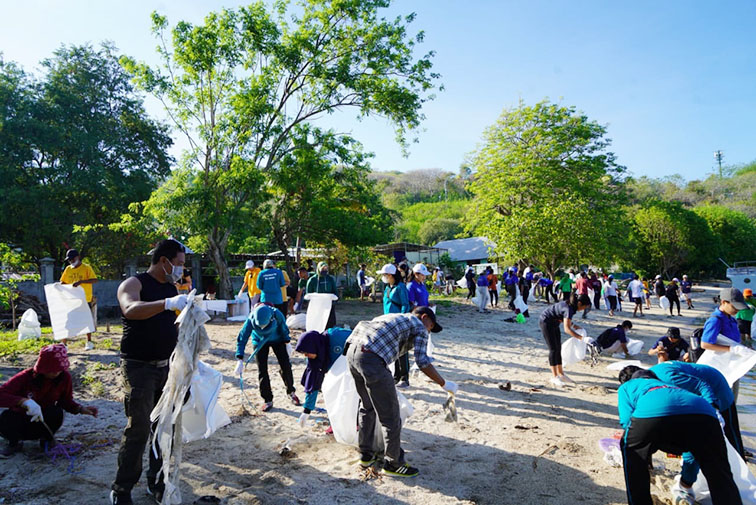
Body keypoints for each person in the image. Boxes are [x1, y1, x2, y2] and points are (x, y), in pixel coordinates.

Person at [111, 239, 188, 505]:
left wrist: (187, 351)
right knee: (139, 428)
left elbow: (171, 326)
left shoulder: (170, 287)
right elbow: (131, 310)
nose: (180, 270)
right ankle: (122, 489)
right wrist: (167, 303)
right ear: (164, 260)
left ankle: (156, 481)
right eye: (178, 264)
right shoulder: (135, 284)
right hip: (138, 367)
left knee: (164, 427)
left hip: (166, 367)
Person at [345, 307, 457, 478]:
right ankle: (393, 464)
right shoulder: (419, 326)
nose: (429, 332)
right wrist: (444, 383)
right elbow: (422, 362)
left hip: (352, 352)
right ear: (424, 317)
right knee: (390, 416)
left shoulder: (394, 316)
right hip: (371, 358)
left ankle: (366, 454)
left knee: (367, 407)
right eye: (431, 327)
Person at [617, 367, 741, 505]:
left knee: (630, 451)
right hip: (705, 413)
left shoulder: (626, 387)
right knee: (719, 472)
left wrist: (643, 454)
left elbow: (627, 421)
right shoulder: (669, 384)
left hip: (654, 413)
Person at [0, 344, 98, 458]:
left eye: (59, 369)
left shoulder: (64, 378)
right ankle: (14, 443)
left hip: (44, 421)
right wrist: (23, 402)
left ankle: (46, 440)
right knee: (6, 418)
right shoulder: (25, 377)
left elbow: (65, 401)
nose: (56, 373)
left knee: (56, 412)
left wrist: (80, 409)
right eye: (52, 370)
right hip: (21, 418)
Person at [234, 304, 300, 412]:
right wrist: (239, 359)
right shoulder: (250, 319)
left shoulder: (277, 314)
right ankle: (267, 399)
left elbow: (284, 328)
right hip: (259, 342)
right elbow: (242, 337)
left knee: (286, 365)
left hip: (278, 339)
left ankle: (291, 392)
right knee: (262, 370)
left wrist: (287, 342)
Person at [294, 327, 351, 428]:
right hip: (340, 370)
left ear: (313, 347)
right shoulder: (314, 357)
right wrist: (306, 411)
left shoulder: (336, 337)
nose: (306, 356)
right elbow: (313, 383)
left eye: (307, 352)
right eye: (304, 354)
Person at [701, 288, 749, 401]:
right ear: (724, 302)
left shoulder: (731, 318)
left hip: (732, 364)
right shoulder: (716, 320)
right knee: (723, 399)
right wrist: (731, 349)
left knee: (732, 399)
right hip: (720, 367)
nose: (737, 309)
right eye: (735, 306)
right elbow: (705, 344)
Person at [538, 293, 592, 387]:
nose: (583, 309)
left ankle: (561, 374)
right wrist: (582, 338)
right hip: (546, 322)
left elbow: (564, 318)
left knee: (558, 348)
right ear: (579, 303)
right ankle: (554, 377)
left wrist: (574, 325)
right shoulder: (569, 309)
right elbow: (567, 330)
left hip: (554, 322)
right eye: (584, 307)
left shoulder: (571, 306)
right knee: (553, 349)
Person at [377, 264, 411, 387]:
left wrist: (401, 319)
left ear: (390, 275)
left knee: (402, 350)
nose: (383, 277)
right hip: (388, 322)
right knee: (394, 351)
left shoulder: (401, 287)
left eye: (384, 274)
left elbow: (405, 304)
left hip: (398, 322)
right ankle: (396, 376)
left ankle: (404, 377)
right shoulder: (387, 288)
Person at [59, 249, 98, 349]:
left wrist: (81, 282)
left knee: (87, 321)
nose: (71, 261)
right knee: (67, 321)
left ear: (78, 257)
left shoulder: (86, 268)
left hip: (85, 299)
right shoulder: (68, 269)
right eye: (69, 260)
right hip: (71, 300)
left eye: (72, 259)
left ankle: (89, 342)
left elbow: (95, 280)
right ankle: (64, 343)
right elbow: (63, 282)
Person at [305, 262, 339, 328]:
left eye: (326, 268)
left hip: (328, 304)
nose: (324, 270)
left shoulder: (330, 279)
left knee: (330, 321)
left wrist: (335, 301)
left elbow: (335, 291)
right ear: (319, 269)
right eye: (323, 268)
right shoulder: (312, 280)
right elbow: (308, 294)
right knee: (318, 321)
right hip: (317, 305)